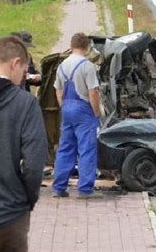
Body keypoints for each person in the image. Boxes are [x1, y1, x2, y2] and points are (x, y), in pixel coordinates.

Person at [0, 36, 47, 252]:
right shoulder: (25, 104)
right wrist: (27, 200)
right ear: (15, 64)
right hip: (10, 215)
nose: (22, 79)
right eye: (24, 73)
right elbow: (34, 165)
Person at [52, 33, 102, 199]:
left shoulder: (61, 66)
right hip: (84, 109)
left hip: (66, 107)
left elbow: (58, 91)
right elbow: (93, 92)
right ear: (87, 47)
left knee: (65, 148)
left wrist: (65, 107)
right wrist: (96, 112)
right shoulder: (87, 66)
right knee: (86, 149)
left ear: (71, 46)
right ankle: (85, 190)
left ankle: (58, 188)